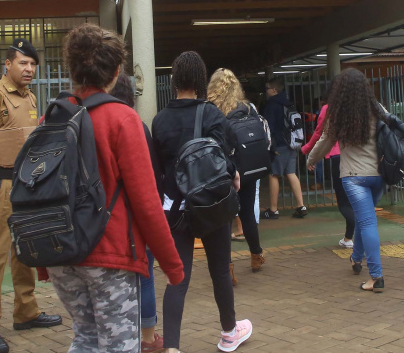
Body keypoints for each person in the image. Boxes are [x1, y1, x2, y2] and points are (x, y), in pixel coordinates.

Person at [51, 25, 183, 353]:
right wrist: (172, 265)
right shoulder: (122, 119)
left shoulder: (52, 118)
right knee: (119, 345)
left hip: (60, 253)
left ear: (72, 68)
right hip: (109, 256)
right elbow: (146, 202)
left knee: (85, 337)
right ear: (116, 72)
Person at [0, 39, 61, 353]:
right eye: (23, 63)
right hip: (1, 185)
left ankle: (26, 311)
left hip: (25, 185)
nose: (29, 69)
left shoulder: (31, 98)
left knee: (24, 249)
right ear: (7, 65)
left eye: (32, 64)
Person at [152, 52, 253, 353]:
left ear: (173, 81)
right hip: (211, 206)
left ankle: (172, 347)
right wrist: (234, 176)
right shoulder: (212, 115)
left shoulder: (160, 120)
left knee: (177, 277)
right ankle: (228, 333)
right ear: (199, 80)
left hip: (175, 210)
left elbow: (157, 170)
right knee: (220, 270)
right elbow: (225, 156)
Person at [306, 69, 385, 292]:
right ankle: (356, 258)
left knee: (367, 222)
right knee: (363, 219)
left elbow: (324, 142)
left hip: (354, 177)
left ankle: (376, 276)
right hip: (379, 175)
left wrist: (310, 159)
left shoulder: (339, 115)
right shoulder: (377, 109)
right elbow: (397, 129)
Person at [108, 70, 168, 353]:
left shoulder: (95, 124)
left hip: (109, 220)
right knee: (145, 277)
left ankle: (123, 334)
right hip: (137, 219)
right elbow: (151, 178)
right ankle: (147, 339)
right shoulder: (135, 125)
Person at [208, 68, 266, 275]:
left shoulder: (211, 109)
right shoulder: (248, 107)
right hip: (247, 167)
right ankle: (256, 256)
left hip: (222, 169)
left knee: (224, 218)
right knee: (247, 213)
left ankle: (228, 266)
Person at [301, 78, 354, 248]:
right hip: (357, 157)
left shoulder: (327, 110)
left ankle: (351, 236)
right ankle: (349, 237)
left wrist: (307, 150)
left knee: (344, 201)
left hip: (337, 157)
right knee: (355, 199)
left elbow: (319, 134)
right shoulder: (356, 108)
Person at [261, 78, 307, 219]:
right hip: (292, 143)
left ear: (274, 90)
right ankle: (301, 206)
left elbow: (269, 127)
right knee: (291, 173)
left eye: (268, 88)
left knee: (274, 174)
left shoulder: (272, 105)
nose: (266, 91)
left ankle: (273, 210)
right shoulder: (288, 103)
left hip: (279, 144)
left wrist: (270, 146)